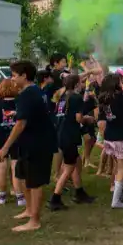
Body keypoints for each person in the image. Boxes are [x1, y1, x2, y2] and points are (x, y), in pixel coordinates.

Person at [0, 60, 58, 232]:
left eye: (15, 75)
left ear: (24, 75)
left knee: (35, 182)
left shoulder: (27, 94)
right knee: (22, 176)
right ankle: (29, 210)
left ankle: (35, 221)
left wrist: (5, 147)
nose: (12, 79)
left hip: (37, 143)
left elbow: (21, 124)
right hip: (30, 142)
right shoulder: (35, 91)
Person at [49, 74, 96, 210]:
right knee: (68, 168)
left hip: (61, 133)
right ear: (76, 84)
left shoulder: (62, 96)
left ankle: (79, 192)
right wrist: (88, 119)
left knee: (74, 162)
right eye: (81, 82)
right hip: (70, 135)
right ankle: (55, 199)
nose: (82, 84)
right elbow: (78, 119)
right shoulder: (76, 97)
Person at [99, 73, 123, 208]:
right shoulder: (120, 97)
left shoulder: (103, 98)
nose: (122, 83)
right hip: (121, 136)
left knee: (121, 166)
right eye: (120, 81)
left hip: (110, 136)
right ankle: (115, 201)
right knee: (122, 168)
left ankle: (121, 195)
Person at [0, 79, 23, 206]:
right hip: (16, 137)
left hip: (0, 138)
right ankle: (19, 197)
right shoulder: (19, 103)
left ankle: (2, 197)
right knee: (15, 166)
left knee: (1, 167)